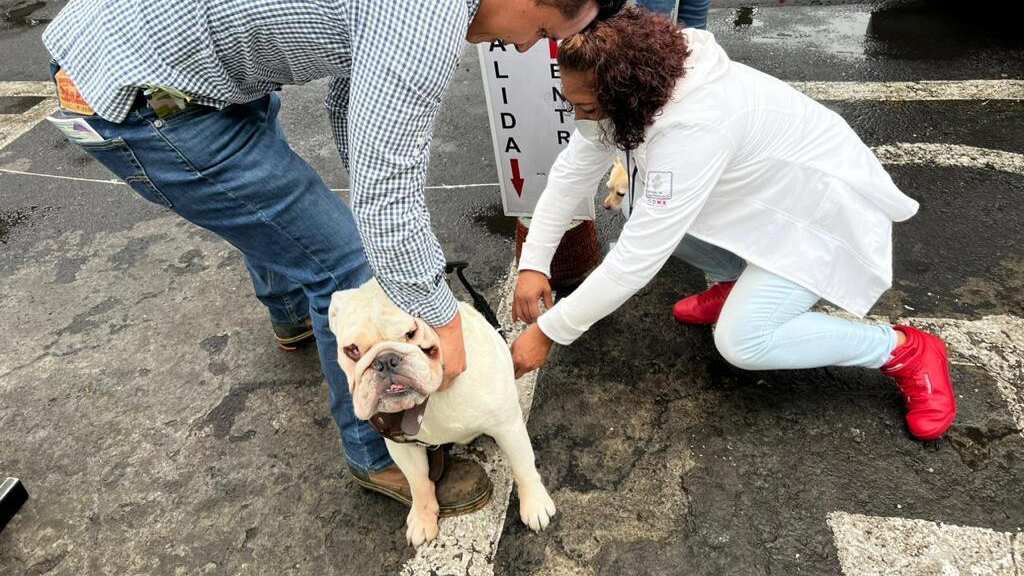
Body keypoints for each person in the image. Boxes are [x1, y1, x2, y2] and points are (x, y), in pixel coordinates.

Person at [41, 0, 626, 515]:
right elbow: (384, 193)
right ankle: (376, 450)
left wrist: (378, 213)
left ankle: (291, 316)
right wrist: (441, 320)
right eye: (541, 27)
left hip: (184, 67)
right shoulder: (428, 12)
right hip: (144, 92)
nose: (525, 45)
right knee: (344, 266)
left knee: (282, 215)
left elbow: (357, 94)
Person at [510, 7, 956, 441]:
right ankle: (731, 282)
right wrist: (534, 264)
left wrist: (551, 331)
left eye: (586, 108)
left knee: (744, 342)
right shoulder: (642, 87)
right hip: (768, 199)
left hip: (818, 218)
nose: (579, 118)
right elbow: (572, 172)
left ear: (625, 93)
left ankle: (901, 350)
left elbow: (635, 261)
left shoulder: (695, 126)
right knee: (640, 204)